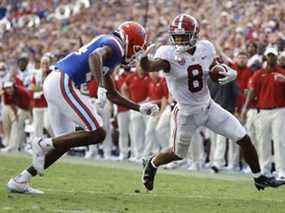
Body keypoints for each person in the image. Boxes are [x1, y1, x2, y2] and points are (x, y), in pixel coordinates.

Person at [7, 21, 159, 194]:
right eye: (136, 49)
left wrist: (139, 108)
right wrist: (100, 85)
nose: (135, 56)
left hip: (57, 82)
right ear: (128, 41)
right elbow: (94, 57)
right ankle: (42, 143)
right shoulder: (115, 45)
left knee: (64, 143)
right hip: (63, 82)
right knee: (98, 131)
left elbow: (112, 94)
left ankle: (21, 180)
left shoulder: (112, 50)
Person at [139, 14, 285, 191]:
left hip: (208, 107)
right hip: (185, 113)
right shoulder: (167, 54)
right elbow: (150, 67)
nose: (178, 40)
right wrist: (143, 59)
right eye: (176, 36)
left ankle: (259, 177)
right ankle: (153, 162)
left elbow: (216, 66)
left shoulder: (205, 48)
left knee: (244, 138)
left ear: (194, 35)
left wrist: (228, 71)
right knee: (177, 153)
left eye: (183, 36)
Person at [241, 47, 285, 179]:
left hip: (279, 111)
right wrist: (245, 108)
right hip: (263, 112)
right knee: (262, 142)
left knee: (280, 141)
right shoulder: (258, 74)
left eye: (273, 56)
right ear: (265, 57)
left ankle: (281, 170)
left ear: (276, 57)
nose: (271, 58)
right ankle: (265, 169)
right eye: (269, 56)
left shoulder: (282, 73)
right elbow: (251, 92)